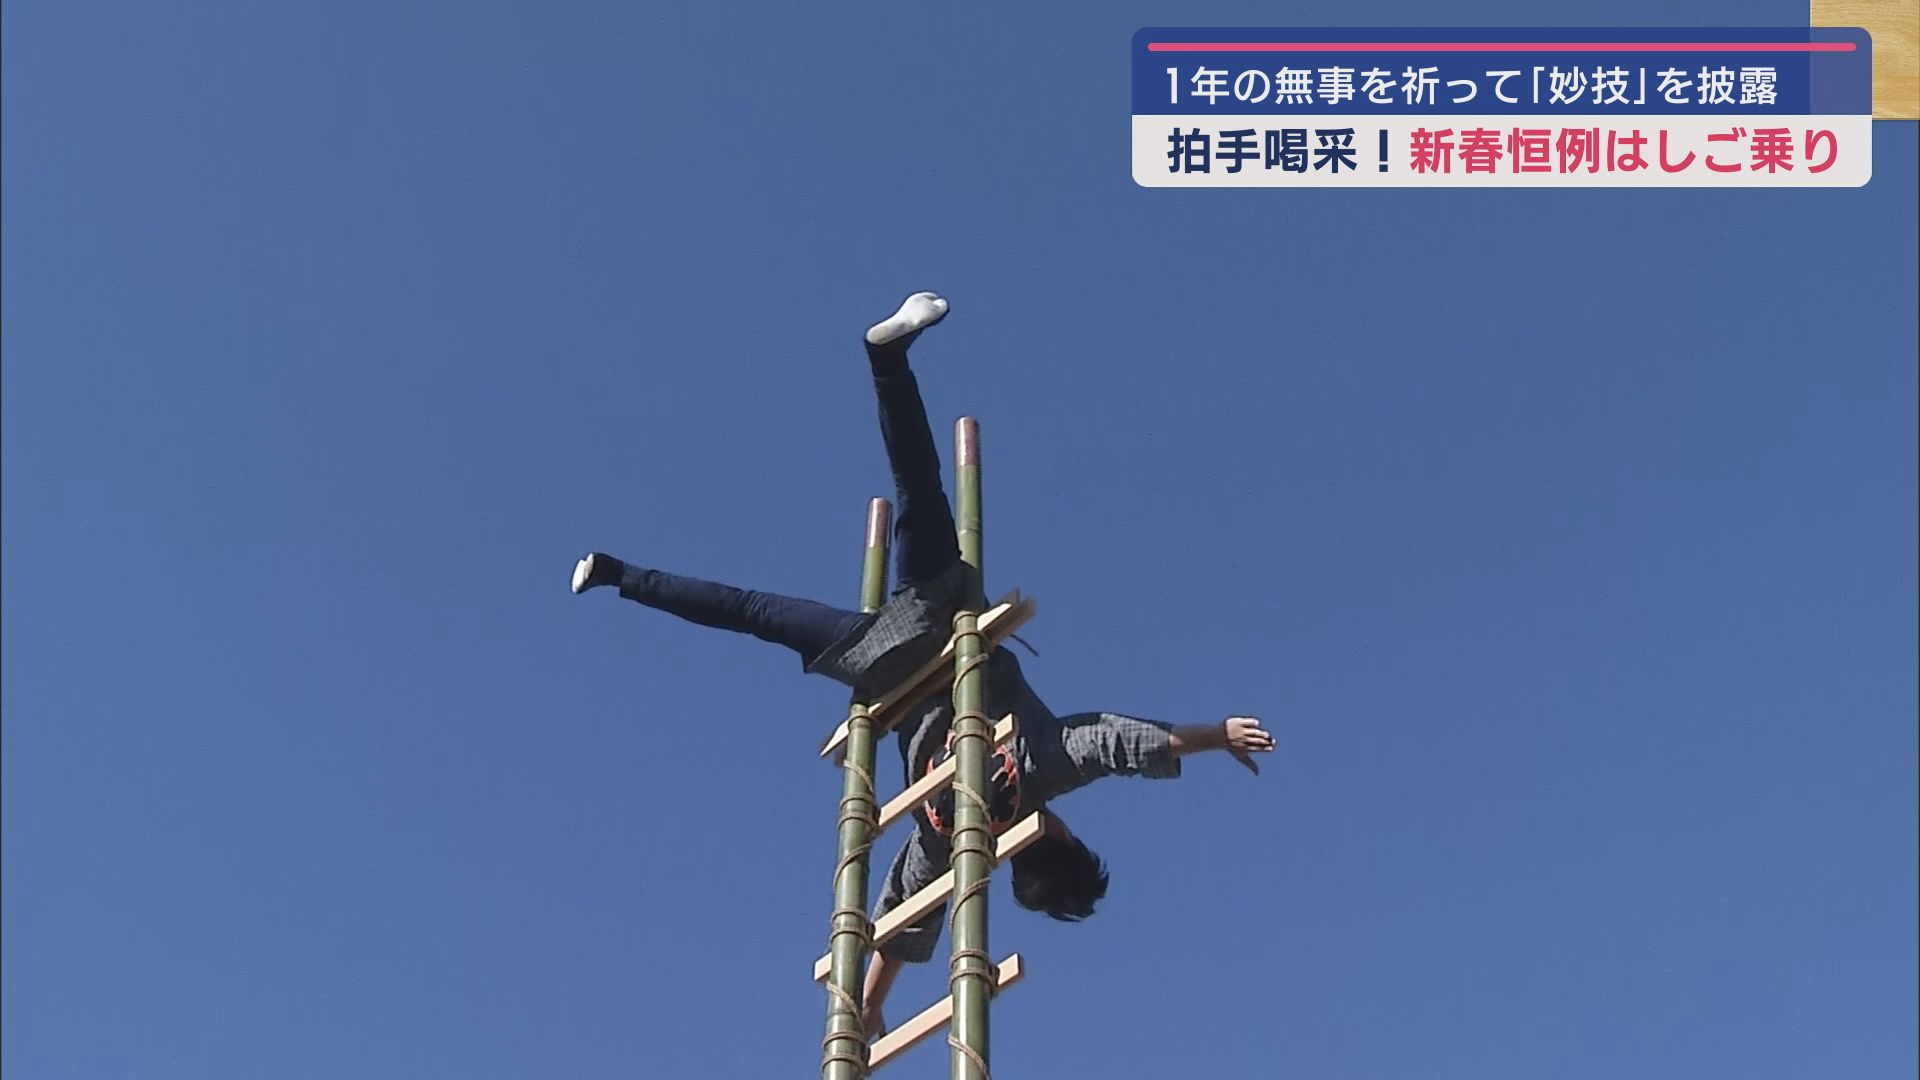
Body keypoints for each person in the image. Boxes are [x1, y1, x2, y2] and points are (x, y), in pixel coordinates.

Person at [571, 292, 1275, 1036]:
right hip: (884, 666)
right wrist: (868, 1008)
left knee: (917, 493)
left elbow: (1121, 740)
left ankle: (887, 363)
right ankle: (617, 575)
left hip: (933, 626)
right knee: (752, 611)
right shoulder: (948, 841)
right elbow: (903, 922)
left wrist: (1217, 733)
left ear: (1061, 839)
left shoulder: (1040, 771)